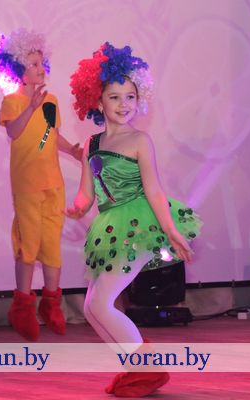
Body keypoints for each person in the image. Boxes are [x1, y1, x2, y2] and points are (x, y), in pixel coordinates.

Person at [66, 42, 202, 397]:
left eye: (130, 96)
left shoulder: (140, 140)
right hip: (110, 226)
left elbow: (155, 191)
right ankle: (136, 368)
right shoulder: (91, 145)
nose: (124, 104)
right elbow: (87, 193)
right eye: (114, 97)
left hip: (139, 225)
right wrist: (77, 208)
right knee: (91, 307)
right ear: (98, 101)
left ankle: (148, 368)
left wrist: (171, 232)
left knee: (100, 303)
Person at [0, 29, 82, 341]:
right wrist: (31, 107)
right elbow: (14, 133)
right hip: (27, 184)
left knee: (52, 245)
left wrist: (73, 151)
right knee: (28, 244)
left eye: (41, 63)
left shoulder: (51, 101)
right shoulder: (12, 102)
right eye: (32, 64)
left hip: (53, 183)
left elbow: (50, 137)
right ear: (18, 69)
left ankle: (51, 302)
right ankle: (22, 306)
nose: (40, 68)